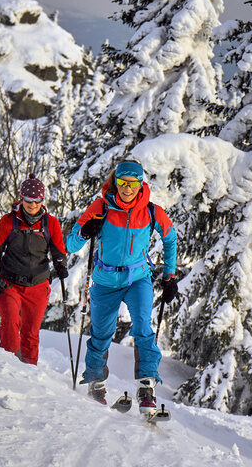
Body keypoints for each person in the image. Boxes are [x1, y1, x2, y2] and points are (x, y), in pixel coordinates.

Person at [67, 160, 177, 413]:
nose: (127, 188)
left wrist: (169, 276)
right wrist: (85, 231)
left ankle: (147, 388)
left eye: (132, 183)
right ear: (115, 182)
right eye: (122, 182)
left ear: (141, 184)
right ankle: (96, 383)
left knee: (142, 327)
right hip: (105, 281)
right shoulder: (101, 206)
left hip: (137, 278)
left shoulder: (151, 211)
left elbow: (170, 239)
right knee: (101, 334)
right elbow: (71, 244)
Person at [0, 173, 69, 365]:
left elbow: (58, 252)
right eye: (28, 199)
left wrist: (61, 266)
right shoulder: (8, 222)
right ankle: (9, 365)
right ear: (21, 198)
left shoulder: (51, 223)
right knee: (9, 322)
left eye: (37, 200)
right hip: (9, 283)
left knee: (31, 333)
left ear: (42, 200)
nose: (32, 204)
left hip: (38, 285)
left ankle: (29, 372)